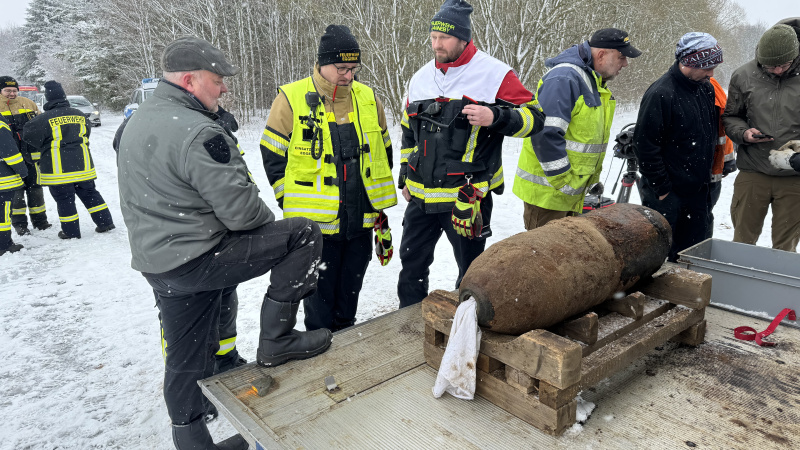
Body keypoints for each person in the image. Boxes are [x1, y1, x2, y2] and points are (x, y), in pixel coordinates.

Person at [117, 36, 332, 450]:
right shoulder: (199, 131)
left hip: (158, 262)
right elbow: (244, 214)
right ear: (189, 80)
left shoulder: (139, 119)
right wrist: (264, 228)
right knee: (303, 233)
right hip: (197, 257)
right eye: (217, 80)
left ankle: (192, 440)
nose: (224, 88)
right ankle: (278, 342)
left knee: (183, 356)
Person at [397, 0, 545, 307]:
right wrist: (404, 175)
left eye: (444, 38)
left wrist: (497, 117)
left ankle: (466, 331)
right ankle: (408, 327)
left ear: (464, 38)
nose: (436, 45)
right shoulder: (420, 77)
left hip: (467, 197)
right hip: (421, 199)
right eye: (433, 37)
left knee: (472, 274)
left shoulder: (495, 74)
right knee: (411, 269)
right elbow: (408, 130)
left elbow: (536, 118)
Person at [261, 25, 397, 332]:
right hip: (317, 228)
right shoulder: (291, 98)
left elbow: (383, 152)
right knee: (319, 304)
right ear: (321, 63)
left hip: (360, 222)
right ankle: (320, 351)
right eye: (341, 68)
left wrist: (375, 202)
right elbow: (272, 156)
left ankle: (344, 346)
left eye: (353, 68)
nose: (348, 76)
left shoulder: (368, 98)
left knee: (349, 298)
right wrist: (289, 198)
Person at [114, 102, 247, 379]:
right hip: (175, 247)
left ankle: (225, 360)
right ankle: (191, 377)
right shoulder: (149, 129)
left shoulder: (211, 124)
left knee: (223, 302)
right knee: (181, 320)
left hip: (218, 238)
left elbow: (237, 177)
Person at [512, 28, 640, 229]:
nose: (625, 64)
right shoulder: (565, 78)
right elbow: (546, 134)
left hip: (569, 195)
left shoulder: (593, 80)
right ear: (601, 54)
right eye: (621, 57)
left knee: (565, 257)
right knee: (547, 258)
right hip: (550, 197)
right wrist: (565, 183)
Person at [633, 32, 722, 262]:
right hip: (668, 194)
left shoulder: (706, 88)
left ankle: (686, 298)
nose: (711, 73)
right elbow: (645, 146)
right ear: (690, 62)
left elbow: (707, 134)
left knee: (694, 253)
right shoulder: (661, 93)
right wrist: (662, 188)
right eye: (707, 67)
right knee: (661, 257)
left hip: (698, 192)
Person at [722, 20, 800, 252]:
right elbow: (731, 116)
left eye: (783, 65)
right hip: (753, 172)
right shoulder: (743, 76)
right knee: (742, 244)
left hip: (794, 177)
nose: (776, 70)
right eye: (769, 67)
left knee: (785, 251)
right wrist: (743, 133)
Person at [22, 81, 115, 240]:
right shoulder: (79, 114)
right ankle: (105, 223)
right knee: (90, 194)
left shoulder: (43, 119)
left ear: (47, 99)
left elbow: (29, 138)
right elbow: (86, 134)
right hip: (83, 166)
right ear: (64, 97)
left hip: (58, 171)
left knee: (64, 200)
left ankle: (71, 232)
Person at [0, 76, 50, 235]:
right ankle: (20, 224)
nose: (11, 93)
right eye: (7, 90)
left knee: (36, 188)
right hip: (9, 160)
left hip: (31, 156)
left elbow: (41, 126)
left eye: (14, 90)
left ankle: (40, 221)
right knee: (17, 191)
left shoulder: (28, 104)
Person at [706, 76, 737, 238]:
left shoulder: (713, 88)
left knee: (703, 217)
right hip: (705, 172)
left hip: (711, 172)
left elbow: (723, 128)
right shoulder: (714, 88)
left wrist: (728, 159)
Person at [0, 120, 27, 256]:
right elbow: (10, 153)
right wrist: (22, 170)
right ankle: (4, 245)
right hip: (3, 180)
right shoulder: (0, 126)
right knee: (2, 214)